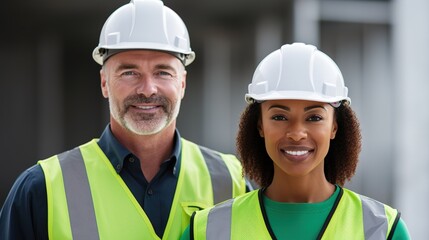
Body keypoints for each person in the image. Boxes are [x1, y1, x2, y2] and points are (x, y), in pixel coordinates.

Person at [0, 0, 248, 239]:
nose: (148, 89)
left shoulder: (230, 182)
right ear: (104, 83)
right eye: (129, 72)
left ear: (182, 83)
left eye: (163, 72)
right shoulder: (41, 189)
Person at [182, 43, 411, 239]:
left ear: (334, 127)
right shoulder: (206, 230)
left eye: (314, 117)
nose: (297, 133)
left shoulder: (384, 229)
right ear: (260, 125)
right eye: (279, 117)